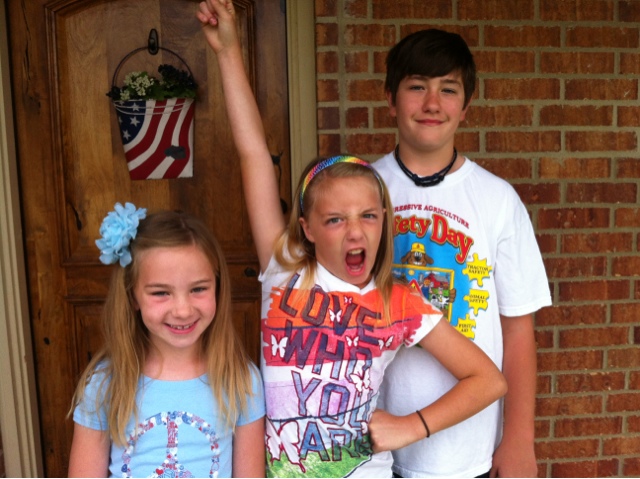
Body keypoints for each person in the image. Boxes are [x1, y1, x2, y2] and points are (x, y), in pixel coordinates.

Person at [197, 1, 507, 477]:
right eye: (335, 220)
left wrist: (412, 426)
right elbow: (254, 154)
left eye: (367, 216)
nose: (356, 231)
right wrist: (227, 51)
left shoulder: (399, 303)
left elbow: (488, 380)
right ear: (307, 228)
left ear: (384, 220)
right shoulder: (285, 272)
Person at [374, 28, 552, 477]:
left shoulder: (497, 199)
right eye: (417, 87)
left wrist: (519, 438)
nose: (432, 103)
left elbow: (518, 330)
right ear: (391, 100)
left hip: (464, 450)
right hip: (371, 443)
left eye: (448, 90)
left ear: (466, 106)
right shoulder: (359, 190)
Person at [68, 203, 266, 478]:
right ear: (132, 296)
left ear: (218, 289)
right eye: (161, 293)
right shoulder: (106, 385)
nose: (183, 310)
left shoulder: (241, 381)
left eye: (198, 289)